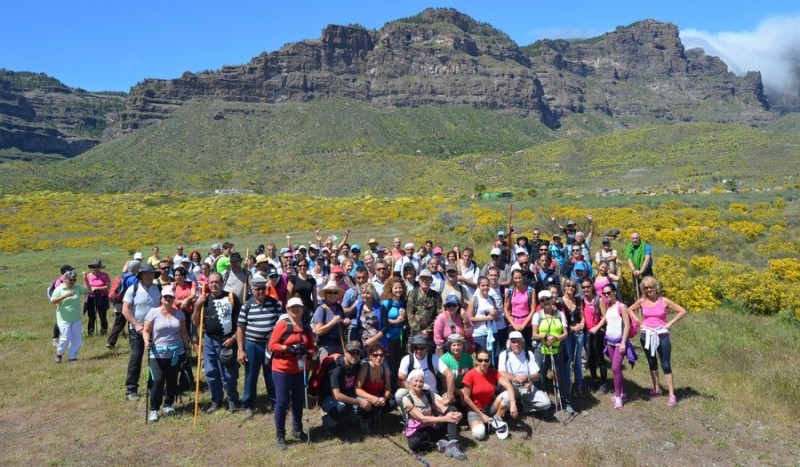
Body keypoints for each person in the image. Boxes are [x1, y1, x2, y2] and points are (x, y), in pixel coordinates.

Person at [628, 277, 687, 407]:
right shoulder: (642, 301)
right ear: (643, 289)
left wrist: (670, 323)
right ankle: (656, 389)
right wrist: (638, 321)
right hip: (646, 335)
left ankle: (672, 394)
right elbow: (629, 309)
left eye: (651, 287)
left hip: (662, 335)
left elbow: (682, 311)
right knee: (651, 362)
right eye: (646, 288)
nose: (649, 290)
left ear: (656, 287)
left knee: (665, 364)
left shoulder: (663, 300)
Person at [269, 297, 314, 450]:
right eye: (292, 307)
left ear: (303, 309)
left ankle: (297, 428)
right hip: (282, 368)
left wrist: (306, 352)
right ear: (287, 309)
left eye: (298, 307)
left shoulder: (307, 327)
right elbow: (272, 346)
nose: (296, 310)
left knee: (298, 399)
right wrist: (288, 349)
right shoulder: (283, 325)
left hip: (300, 369)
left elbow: (312, 347)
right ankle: (280, 434)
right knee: (282, 401)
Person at [193, 271, 242, 413]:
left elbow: (240, 321)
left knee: (228, 373)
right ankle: (216, 400)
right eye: (211, 282)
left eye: (217, 282)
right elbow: (195, 322)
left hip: (227, 340)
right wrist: (197, 305)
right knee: (211, 371)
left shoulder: (231, 297)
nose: (214, 284)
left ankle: (232, 399)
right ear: (208, 283)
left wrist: (233, 338)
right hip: (209, 340)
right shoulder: (204, 300)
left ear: (222, 283)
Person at [143, 285, 191, 422]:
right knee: (157, 381)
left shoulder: (180, 314)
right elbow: (146, 330)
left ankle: (168, 404)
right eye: (166, 297)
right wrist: (147, 341)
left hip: (176, 352)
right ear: (161, 298)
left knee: (172, 379)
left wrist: (187, 348)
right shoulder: (153, 313)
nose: (168, 299)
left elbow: (184, 332)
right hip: (158, 353)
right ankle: (154, 409)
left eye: (171, 297)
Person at [237, 275, 282, 420]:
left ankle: (276, 403)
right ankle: (248, 406)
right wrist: (241, 349)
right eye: (257, 289)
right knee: (251, 375)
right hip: (252, 344)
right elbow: (240, 328)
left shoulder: (275, 304)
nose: (260, 292)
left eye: (263, 289)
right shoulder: (247, 305)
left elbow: (281, 324)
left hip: (270, 345)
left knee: (271, 374)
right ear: (252, 289)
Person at [402, 369, 466, 460]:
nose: (418, 384)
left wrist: (456, 414)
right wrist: (445, 419)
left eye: (421, 381)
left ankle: (452, 443)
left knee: (452, 409)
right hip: (419, 430)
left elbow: (444, 409)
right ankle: (437, 446)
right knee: (413, 443)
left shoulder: (428, 393)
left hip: (433, 426)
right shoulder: (406, 398)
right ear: (410, 382)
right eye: (416, 381)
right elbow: (422, 419)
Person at [590, 283, 633, 409]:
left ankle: (618, 398)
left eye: (609, 292)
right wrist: (596, 328)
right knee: (617, 369)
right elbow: (606, 320)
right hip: (610, 341)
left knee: (614, 368)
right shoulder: (608, 307)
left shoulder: (622, 306)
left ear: (614, 292)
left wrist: (624, 342)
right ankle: (621, 392)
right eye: (604, 293)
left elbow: (627, 325)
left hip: (620, 342)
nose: (607, 295)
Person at [121, 264, 161, 400]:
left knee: (156, 359)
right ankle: (131, 389)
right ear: (141, 276)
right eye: (145, 274)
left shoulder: (158, 288)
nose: (148, 276)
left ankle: (154, 386)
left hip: (155, 329)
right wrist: (136, 325)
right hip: (137, 330)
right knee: (135, 358)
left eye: (151, 274)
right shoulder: (133, 289)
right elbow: (125, 309)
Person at [532, 289, 574, 414]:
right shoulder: (537, 315)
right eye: (542, 300)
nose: (545, 302)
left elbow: (565, 333)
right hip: (542, 350)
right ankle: (541, 404)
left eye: (547, 299)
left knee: (560, 377)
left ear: (552, 299)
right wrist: (545, 337)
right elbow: (534, 334)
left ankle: (566, 402)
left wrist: (556, 338)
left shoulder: (560, 314)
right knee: (541, 377)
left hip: (557, 349)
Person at [462, 348, 518, 440]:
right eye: (480, 360)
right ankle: (489, 425)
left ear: (489, 361)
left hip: (490, 406)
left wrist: (513, 403)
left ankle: (496, 420)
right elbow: (466, 398)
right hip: (474, 410)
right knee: (479, 434)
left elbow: (508, 386)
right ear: (476, 361)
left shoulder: (493, 372)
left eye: (486, 360)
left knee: (507, 395)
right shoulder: (470, 374)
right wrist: (481, 415)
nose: (483, 363)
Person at [321, 341, 376, 434]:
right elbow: (336, 396)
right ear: (345, 352)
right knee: (340, 408)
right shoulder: (336, 367)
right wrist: (359, 402)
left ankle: (344, 420)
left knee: (367, 403)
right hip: (330, 399)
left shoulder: (358, 365)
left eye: (357, 353)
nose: (355, 356)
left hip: (348, 398)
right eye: (352, 353)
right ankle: (327, 423)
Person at [497, 331, 552, 415]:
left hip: (527, 386)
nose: (516, 344)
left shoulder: (528, 354)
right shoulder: (504, 354)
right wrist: (517, 378)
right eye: (513, 342)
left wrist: (527, 378)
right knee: (504, 399)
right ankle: (519, 404)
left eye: (518, 341)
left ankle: (523, 406)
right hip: (511, 387)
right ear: (509, 343)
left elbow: (537, 375)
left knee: (546, 403)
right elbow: (502, 373)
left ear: (522, 342)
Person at [396, 334, 456, 406]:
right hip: (412, 394)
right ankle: (407, 414)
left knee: (450, 407)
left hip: (432, 395)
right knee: (399, 394)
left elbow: (450, 375)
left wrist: (449, 397)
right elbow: (400, 381)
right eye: (415, 348)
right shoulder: (407, 359)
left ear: (427, 348)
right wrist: (418, 388)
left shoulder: (433, 358)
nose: (418, 351)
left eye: (422, 348)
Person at [356, 343, 394, 433]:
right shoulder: (365, 367)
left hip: (378, 396)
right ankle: (364, 419)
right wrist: (372, 398)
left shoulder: (385, 369)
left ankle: (377, 413)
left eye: (381, 355)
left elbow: (388, 388)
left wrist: (384, 398)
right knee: (366, 404)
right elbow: (357, 389)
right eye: (375, 355)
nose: (379, 358)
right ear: (370, 356)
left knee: (392, 402)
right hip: (366, 396)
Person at [50, 270, 87, 362]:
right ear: (65, 279)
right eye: (70, 280)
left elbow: (88, 291)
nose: (72, 282)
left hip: (76, 318)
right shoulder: (59, 289)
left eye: (74, 280)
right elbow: (53, 301)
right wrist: (66, 295)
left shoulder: (77, 288)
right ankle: (59, 354)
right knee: (66, 337)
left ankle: (73, 356)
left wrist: (85, 279)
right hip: (63, 318)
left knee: (76, 337)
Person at [379, 277, 407, 392]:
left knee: (398, 364)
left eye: (400, 288)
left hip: (400, 337)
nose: (398, 290)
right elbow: (383, 320)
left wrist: (404, 317)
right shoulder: (386, 303)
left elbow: (406, 319)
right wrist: (397, 321)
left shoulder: (402, 302)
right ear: (391, 289)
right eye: (395, 288)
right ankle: (389, 389)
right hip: (390, 338)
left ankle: (397, 387)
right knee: (390, 365)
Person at [582, 279, 608, 393]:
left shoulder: (599, 299)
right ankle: (594, 379)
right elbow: (582, 315)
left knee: (600, 358)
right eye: (583, 287)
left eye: (588, 286)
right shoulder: (582, 300)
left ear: (592, 286)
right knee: (590, 357)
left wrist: (597, 328)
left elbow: (605, 316)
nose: (586, 289)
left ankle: (604, 383)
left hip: (598, 333)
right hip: (587, 332)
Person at [466, 276, 501, 364]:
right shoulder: (474, 300)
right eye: (483, 285)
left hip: (492, 333)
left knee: (495, 360)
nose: (485, 288)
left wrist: (495, 314)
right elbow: (470, 319)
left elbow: (496, 319)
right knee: (482, 361)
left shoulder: (492, 300)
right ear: (478, 286)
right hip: (479, 334)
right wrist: (486, 318)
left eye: (487, 285)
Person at [561, 279, 586, 395]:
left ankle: (579, 384)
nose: (570, 287)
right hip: (567, 334)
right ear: (564, 287)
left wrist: (582, 324)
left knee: (578, 360)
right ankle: (567, 384)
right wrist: (571, 328)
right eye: (568, 285)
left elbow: (582, 316)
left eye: (573, 286)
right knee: (568, 360)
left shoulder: (578, 300)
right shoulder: (560, 301)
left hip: (578, 334)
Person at [313, 282, 347, 358]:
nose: (333, 295)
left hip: (339, 345)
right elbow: (318, 331)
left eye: (335, 293)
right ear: (325, 294)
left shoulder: (339, 307)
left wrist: (346, 322)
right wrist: (333, 322)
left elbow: (341, 325)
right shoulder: (321, 309)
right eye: (330, 293)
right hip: (326, 346)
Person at [407, 269, 442, 342]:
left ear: (431, 280)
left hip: (431, 333)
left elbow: (438, 315)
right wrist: (419, 331)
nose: (424, 281)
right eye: (422, 279)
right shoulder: (413, 294)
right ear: (419, 280)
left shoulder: (436, 295)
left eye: (427, 279)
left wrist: (428, 329)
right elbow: (410, 314)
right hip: (415, 333)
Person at [503, 270, 535, 349]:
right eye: (515, 278)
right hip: (513, 323)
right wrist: (513, 324)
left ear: (523, 278)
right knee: (513, 348)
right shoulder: (509, 291)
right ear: (513, 279)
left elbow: (533, 309)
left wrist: (524, 324)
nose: (518, 280)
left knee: (527, 348)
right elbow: (506, 309)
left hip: (527, 324)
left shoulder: (530, 290)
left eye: (519, 278)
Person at [439, 334, 474, 406]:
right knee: (447, 398)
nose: (456, 347)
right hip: (449, 388)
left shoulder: (468, 357)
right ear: (449, 347)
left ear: (462, 346)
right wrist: (458, 392)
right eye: (454, 345)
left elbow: (472, 376)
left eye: (459, 345)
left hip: (465, 386)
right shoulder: (444, 359)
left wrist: (465, 390)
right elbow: (444, 383)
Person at [84, 259, 111, 336]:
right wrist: (84, 278)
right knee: (91, 317)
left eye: (97, 266)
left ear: (100, 267)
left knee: (103, 316)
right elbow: (85, 287)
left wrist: (97, 288)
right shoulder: (88, 276)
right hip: (91, 298)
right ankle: (90, 333)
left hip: (101, 297)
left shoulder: (105, 275)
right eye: (93, 266)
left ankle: (103, 332)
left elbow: (108, 286)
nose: (95, 268)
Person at [287, 256, 318, 323]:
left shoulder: (312, 280)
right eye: (300, 265)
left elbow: (315, 298)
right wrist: (289, 311)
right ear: (297, 267)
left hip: (308, 309)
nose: (302, 267)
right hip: (296, 309)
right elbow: (288, 297)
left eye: (304, 265)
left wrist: (316, 311)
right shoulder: (293, 280)